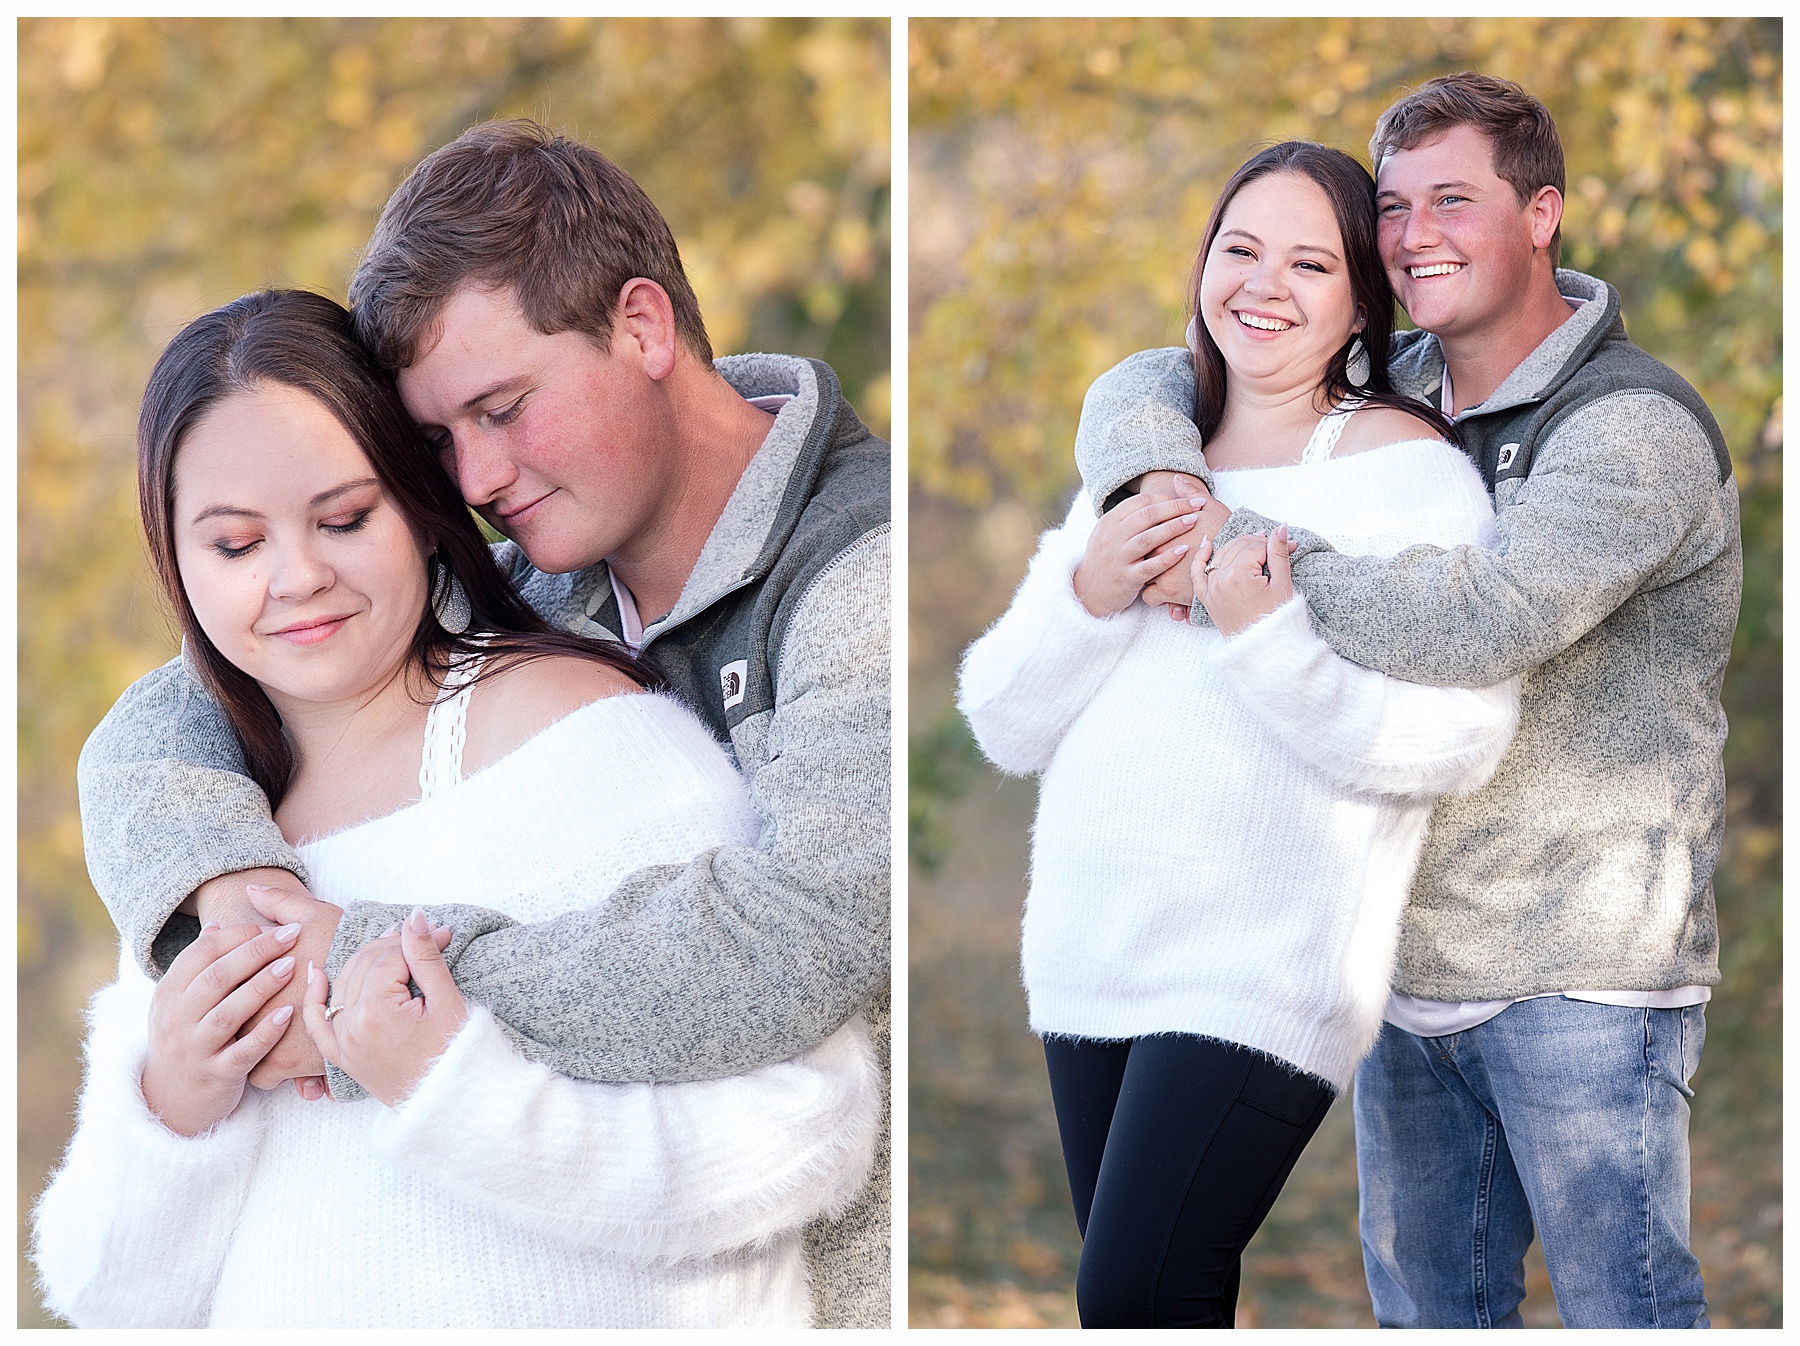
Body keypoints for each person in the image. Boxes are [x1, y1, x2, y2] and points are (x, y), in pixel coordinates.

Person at [73, 121, 891, 1325]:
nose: (473, 475)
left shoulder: (859, 575)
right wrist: (209, 875)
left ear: (644, 327)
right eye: (437, 442)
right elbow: (191, 690)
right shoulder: (540, 566)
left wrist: (361, 989)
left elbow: (803, 938)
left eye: (502, 407)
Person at [1071, 74, 1737, 1329]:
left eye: (1454, 200)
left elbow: (1485, 618)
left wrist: (1233, 544)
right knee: (1430, 1318)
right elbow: (1149, 377)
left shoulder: (1631, 426)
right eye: (1392, 205)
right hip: (1403, 960)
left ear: (1543, 214)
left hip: (1581, 971)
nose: (1414, 233)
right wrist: (1152, 490)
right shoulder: (1399, 392)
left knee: (1625, 1313)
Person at [958, 141, 1520, 1329]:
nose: (1263, 285)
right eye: (1240, 249)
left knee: (1139, 1291)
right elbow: (1003, 718)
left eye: (1310, 262)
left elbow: (1461, 736)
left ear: (1363, 299)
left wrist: (1269, 641)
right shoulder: (1143, 468)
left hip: (1261, 966)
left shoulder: (1409, 479)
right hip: (1090, 953)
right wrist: (1090, 590)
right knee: (1145, 1305)